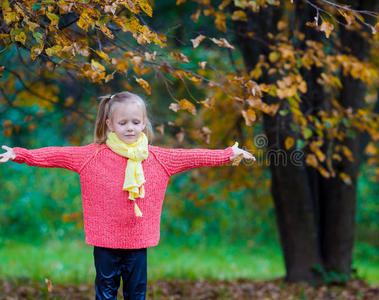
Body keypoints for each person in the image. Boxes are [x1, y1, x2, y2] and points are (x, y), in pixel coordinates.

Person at [0, 91, 255, 300]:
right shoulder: (92, 155)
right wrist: (20, 154)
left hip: (138, 241)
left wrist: (227, 154)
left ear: (143, 123)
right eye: (123, 123)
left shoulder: (158, 157)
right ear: (110, 124)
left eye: (135, 122)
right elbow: (55, 155)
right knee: (106, 293)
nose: (130, 128)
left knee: (136, 294)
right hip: (104, 241)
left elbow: (193, 156)